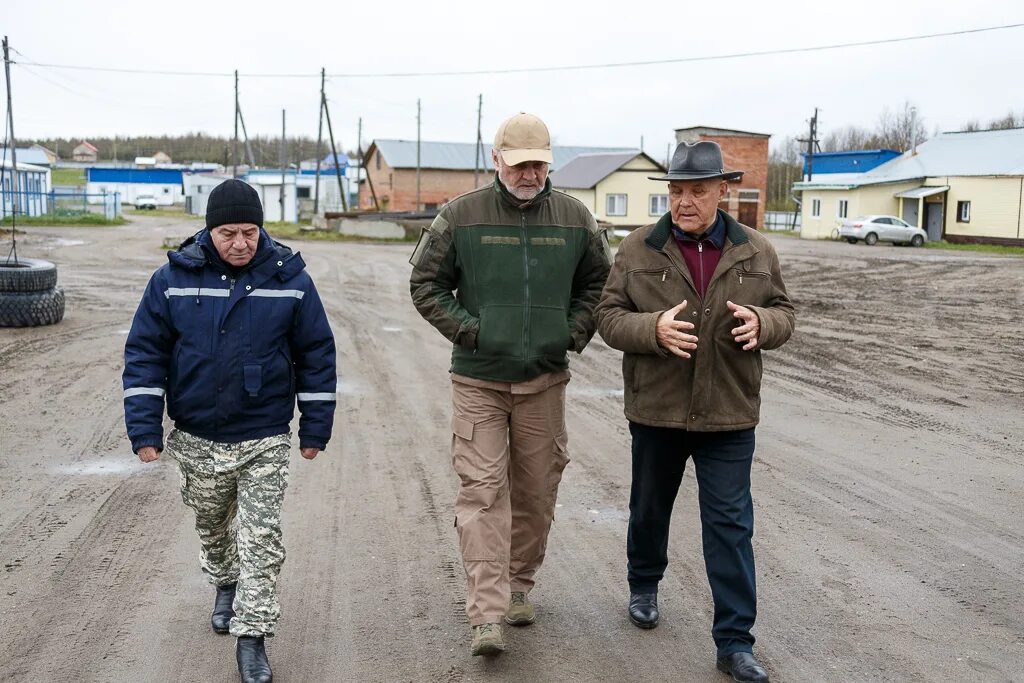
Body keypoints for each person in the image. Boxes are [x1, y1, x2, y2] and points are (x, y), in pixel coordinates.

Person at [409, 112, 611, 656]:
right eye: (519, 164)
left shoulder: (575, 218)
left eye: (539, 164)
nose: (529, 174)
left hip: (545, 381)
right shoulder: (460, 217)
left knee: (538, 490)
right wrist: (472, 332)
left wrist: (570, 333)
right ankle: (487, 613)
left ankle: (520, 583)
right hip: (479, 379)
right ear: (495, 159)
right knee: (481, 492)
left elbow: (599, 283)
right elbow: (425, 284)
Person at [122, 179, 337, 683]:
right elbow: (144, 355)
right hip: (196, 433)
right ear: (208, 230)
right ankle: (224, 581)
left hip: (264, 434)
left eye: (249, 232)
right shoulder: (172, 279)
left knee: (261, 537)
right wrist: (144, 429)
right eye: (228, 233)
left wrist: (315, 428)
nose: (240, 243)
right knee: (212, 524)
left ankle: (252, 637)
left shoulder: (291, 280)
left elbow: (317, 356)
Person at [595, 141, 795, 683]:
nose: (685, 201)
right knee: (650, 506)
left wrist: (763, 323)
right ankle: (644, 584)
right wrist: (651, 329)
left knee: (730, 526)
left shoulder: (756, 251)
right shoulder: (638, 249)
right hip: (657, 409)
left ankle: (735, 643)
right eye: (677, 190)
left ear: (720, 191)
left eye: (697, 190)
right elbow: (608, 317)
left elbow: (784, 313)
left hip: (729, 412)